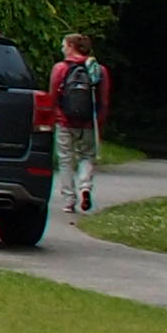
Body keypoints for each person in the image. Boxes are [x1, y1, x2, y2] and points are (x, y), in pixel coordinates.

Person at [49, 31, 109, 216]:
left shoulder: (60, 68)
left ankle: (69, 200)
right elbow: (103, 99)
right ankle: (85, 188)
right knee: (86, 157)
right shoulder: (98, 70)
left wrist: (53, 118)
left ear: (70, 46)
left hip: (64, 121)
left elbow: (53, 97)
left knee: (66, 160)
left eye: (64, 45)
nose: (62, 48)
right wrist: (99, 120)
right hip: (88, 122)